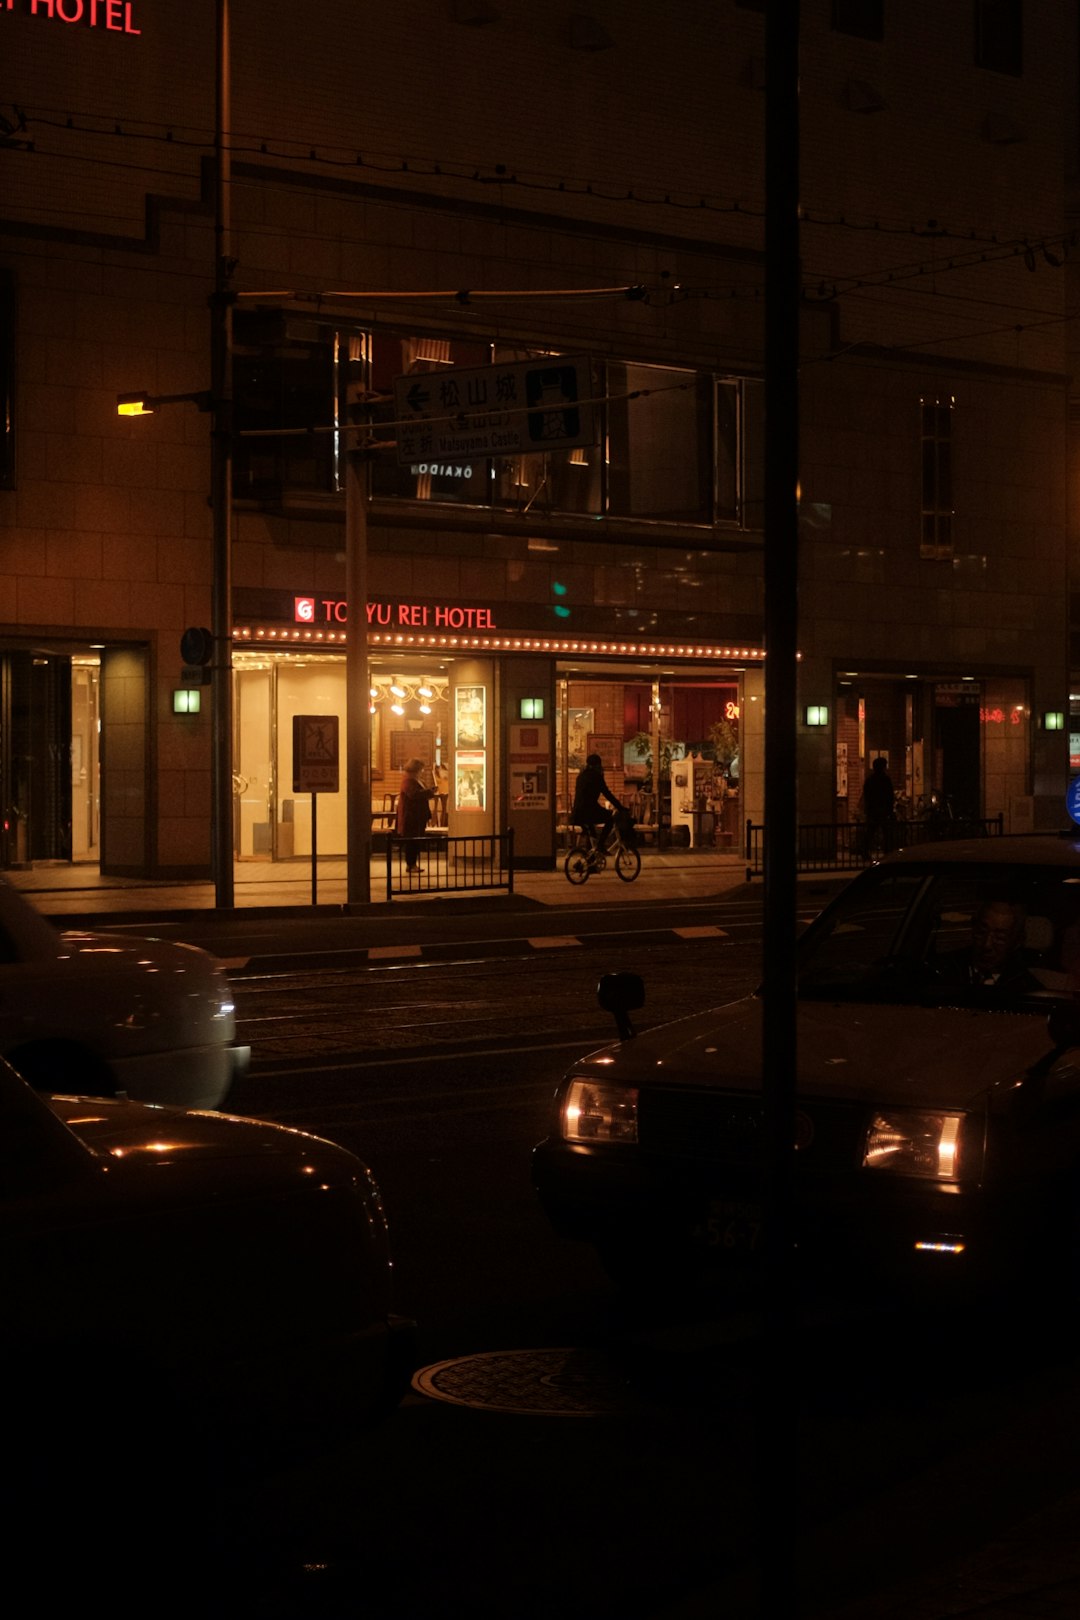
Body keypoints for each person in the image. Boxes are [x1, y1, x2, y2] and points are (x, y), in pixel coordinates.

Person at [937, 894, 1041, 993]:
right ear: (973, 928)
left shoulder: (1026, 988)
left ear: (1017, 941)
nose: (987, 944)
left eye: (1000, 938)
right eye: (981, 932)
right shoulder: (941, 970)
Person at [572, 752, 624, 855]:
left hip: (577, 812)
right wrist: (620, 807)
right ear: (598, 765)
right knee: (610, 819)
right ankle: (601, 846)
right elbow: (607, 794)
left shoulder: (581, 776)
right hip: (589, 810)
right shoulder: (596, 776)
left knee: (592, 837)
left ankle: (590, 859)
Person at [396, 757, 434, 871]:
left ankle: (413, 864)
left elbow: (420, 794)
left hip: (418, 816)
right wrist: (429, 792)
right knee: (412, 841)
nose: (422, 771)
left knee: (416, 840)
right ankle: (411, 864)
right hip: (411, 816)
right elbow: (414, 795)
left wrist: (429, 791)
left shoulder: (417, 780)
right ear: (415, 769)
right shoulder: (408, 781)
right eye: (421, 769)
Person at [861, 756, 895, 857]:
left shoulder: (870, 780)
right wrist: (890, 809)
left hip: (873, 811)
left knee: (870, 832)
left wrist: (868, 809)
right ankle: (887, 853)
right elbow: (890, 795)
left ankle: (865, 852)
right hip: (883, 810)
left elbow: (867, 795)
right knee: (886, 833)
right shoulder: (885, 780)